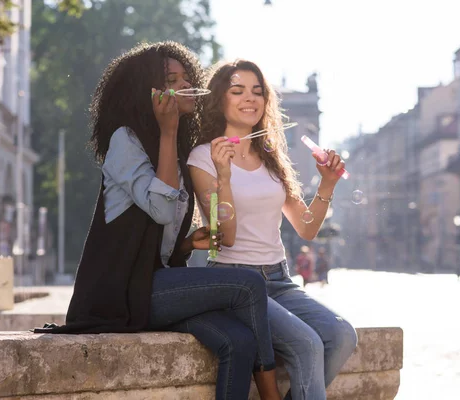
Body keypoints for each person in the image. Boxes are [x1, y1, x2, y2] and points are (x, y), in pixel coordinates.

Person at [34, 43, 280, 400]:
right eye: (171, 80)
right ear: (146, 90)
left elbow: (158, 242)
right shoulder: (126, 140)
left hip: (153, 288)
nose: (185, 85)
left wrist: (185, 243)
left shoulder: (177, 150)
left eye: (187, 78)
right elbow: (162, 210)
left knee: (238, 341)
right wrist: (167, 132)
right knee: (247, 285)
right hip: (122, 293)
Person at [188, 59, 358, 400]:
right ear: (219, 99)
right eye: (237, 91)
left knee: (341, 335)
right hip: (233, 282)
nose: (250, 98)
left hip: (278, 280)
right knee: (307, 343)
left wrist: (327, 184)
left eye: (258, 91)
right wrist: (224, 175)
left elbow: (306, 228)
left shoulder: (271, 158)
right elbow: (226, 237)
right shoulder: (203, 157)